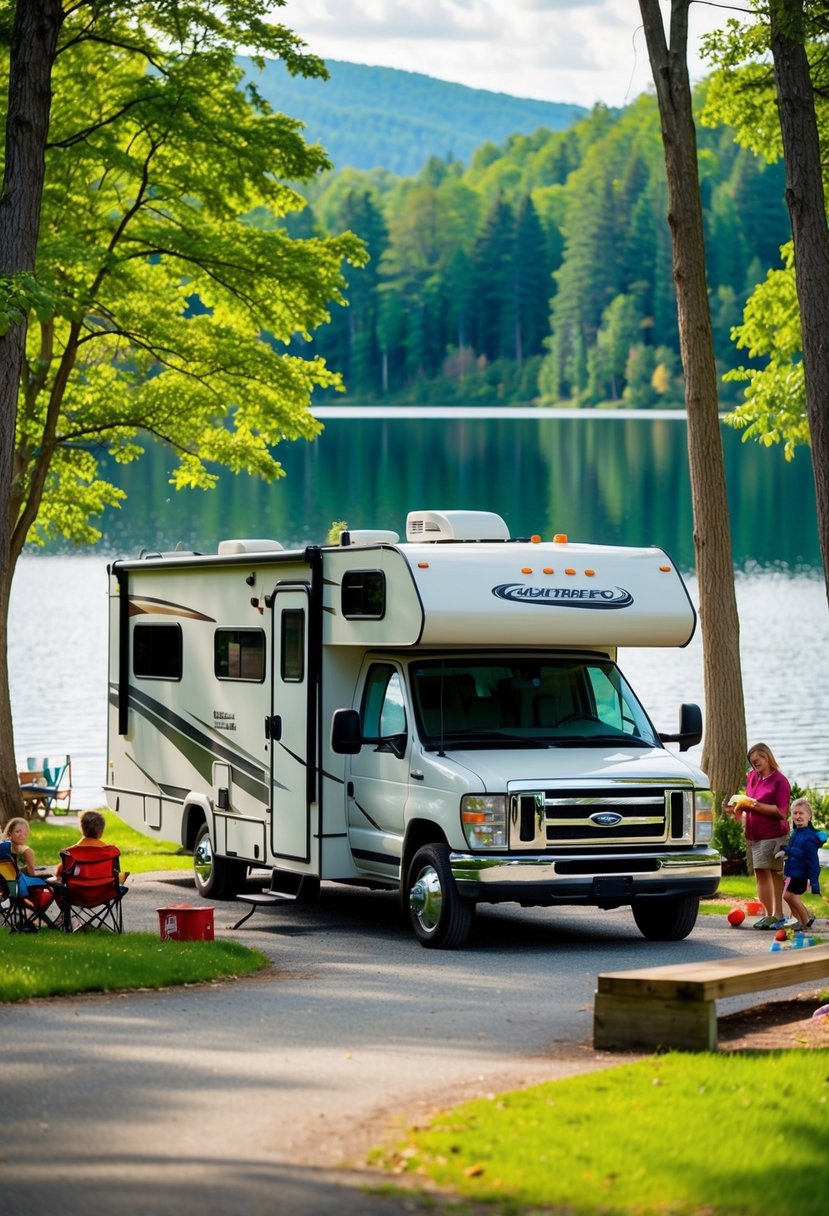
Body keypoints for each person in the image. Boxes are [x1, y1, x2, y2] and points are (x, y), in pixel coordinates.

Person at [727, 742, 791, 930]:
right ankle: (768, 913)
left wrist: (754, 805)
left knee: (773, 872)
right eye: (753, 762)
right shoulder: (753, 777)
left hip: (773, 834)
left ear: (767, 757)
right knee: (760, 873)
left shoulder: (780, 780)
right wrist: (738, 810)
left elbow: (782, 812)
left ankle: (778, 915)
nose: (755, 764)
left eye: (758, 760)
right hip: (755, 834)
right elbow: (748, 801)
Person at [778, 797, 823, 931]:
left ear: (809, 816)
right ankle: (798, 920)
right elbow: (794, 849)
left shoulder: (809, 837)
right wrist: (785, 852)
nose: (797, 816)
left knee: (790, 897)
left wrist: (814, 882)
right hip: (793, 872)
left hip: (801, 874)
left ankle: (806, 919)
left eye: (801, 813)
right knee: (788, 896)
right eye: (795, 813)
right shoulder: (797, 832)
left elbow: (812, 861)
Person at [53, 809, 129, 887]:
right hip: (105, 893)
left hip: (77, 895)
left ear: (81, 828)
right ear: (101, 831)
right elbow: (116, 875)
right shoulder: (111, 852)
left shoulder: (70, 854)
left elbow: (60, 873)